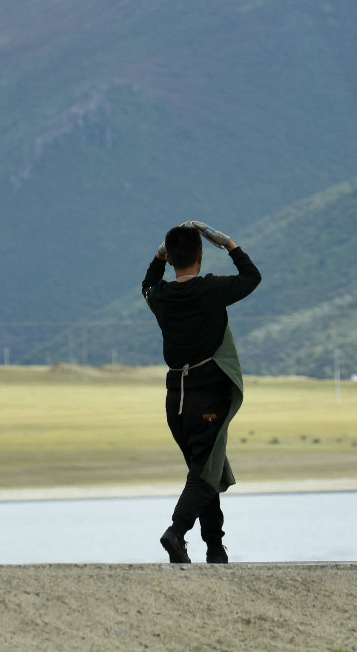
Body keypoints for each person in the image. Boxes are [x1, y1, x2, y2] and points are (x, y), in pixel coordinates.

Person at [143, 219, 261, 564]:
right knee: (204, 474)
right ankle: (176, 533)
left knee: (204, 469)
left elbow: (148, 282)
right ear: (200, 258)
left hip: (175, 402)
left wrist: (159, 254)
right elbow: (252, 278)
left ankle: (215, 547)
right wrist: (229, 244)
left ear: (171, 257)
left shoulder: (160, 296)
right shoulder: (211, 290)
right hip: (208, 397)